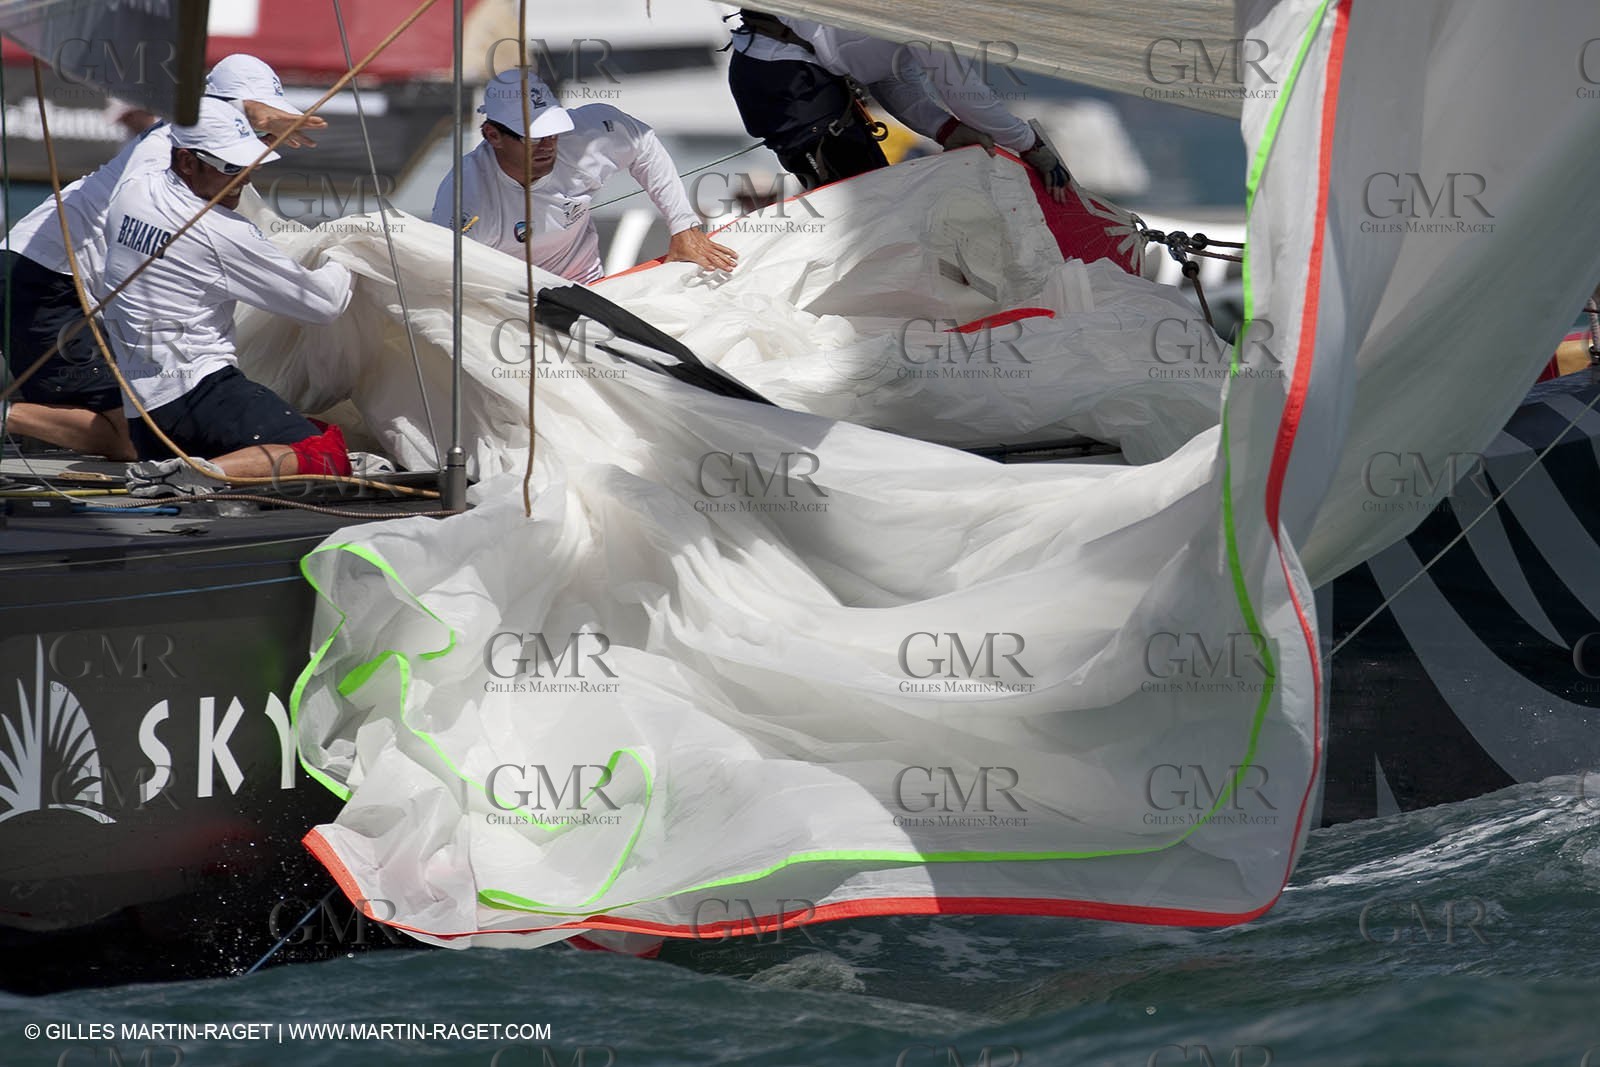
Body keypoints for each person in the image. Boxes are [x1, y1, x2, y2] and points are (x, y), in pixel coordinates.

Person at [0, 54, 323, 461]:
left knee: (128, 420)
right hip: (46, 278)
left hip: (46, 273)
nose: (254, 144)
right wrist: (247, 110)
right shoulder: (166, 142)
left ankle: (31, 424)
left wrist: (258, 129)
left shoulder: (188, 143)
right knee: (132, 438)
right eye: (253, 124)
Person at [101, 98, 354, 496]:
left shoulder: (136, 181)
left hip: (146, 418)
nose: (244, 182)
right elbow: (323, 305)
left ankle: (191, 467)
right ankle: (201, 473)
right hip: (199, 396)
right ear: (187, 162)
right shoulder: (219, 231)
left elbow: (170, 124)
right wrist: (350, 253)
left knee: (306, 424)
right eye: (232, 168)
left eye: (251, 167)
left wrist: (245, 115)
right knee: (326, 454)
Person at [726, 10, 1072, 198]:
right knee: (862, 204)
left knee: (873, 197)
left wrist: (945, 127)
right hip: (783, 78)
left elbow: (889, 79)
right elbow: (965, 96)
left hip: (785, 74)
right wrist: (1030, 145)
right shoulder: (927, 13)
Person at [431, 74, 737, 282]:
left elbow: (644, 144)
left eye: (552, 132)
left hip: (588, 288)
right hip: (510, 306)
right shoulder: (467, 194)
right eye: (533, 137)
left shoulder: (586, 134)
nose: (548, 145)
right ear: (492, 135)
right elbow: (449, 278)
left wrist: (683, 226)